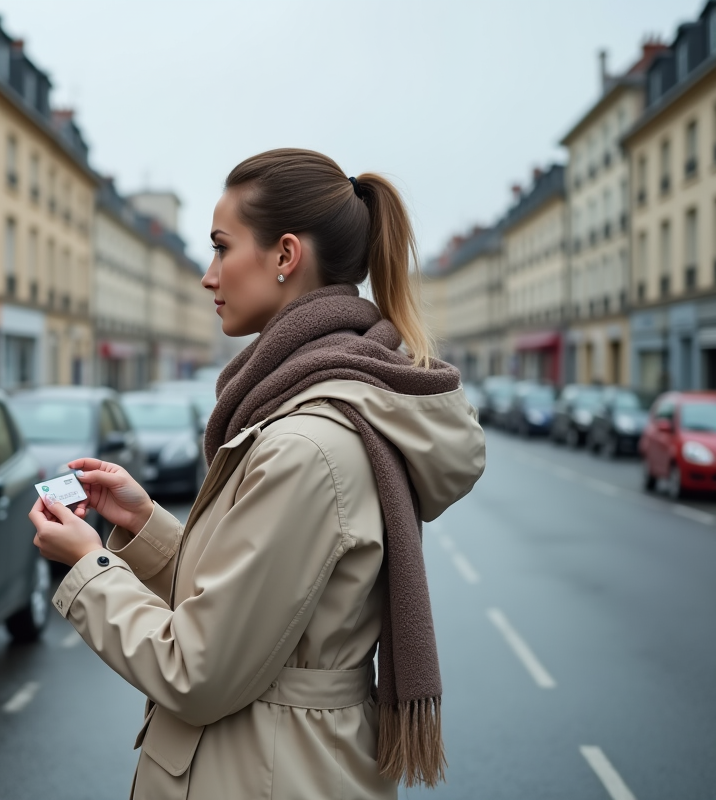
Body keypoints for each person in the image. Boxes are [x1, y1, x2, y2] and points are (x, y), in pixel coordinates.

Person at [29, 148, 486, 799]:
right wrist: (143, 522)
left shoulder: (305, 443)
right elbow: (267, 608)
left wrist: (86, 569)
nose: (208, 275)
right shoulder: (312, 410)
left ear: (284, 256)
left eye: (221, 248)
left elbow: (200, 669)